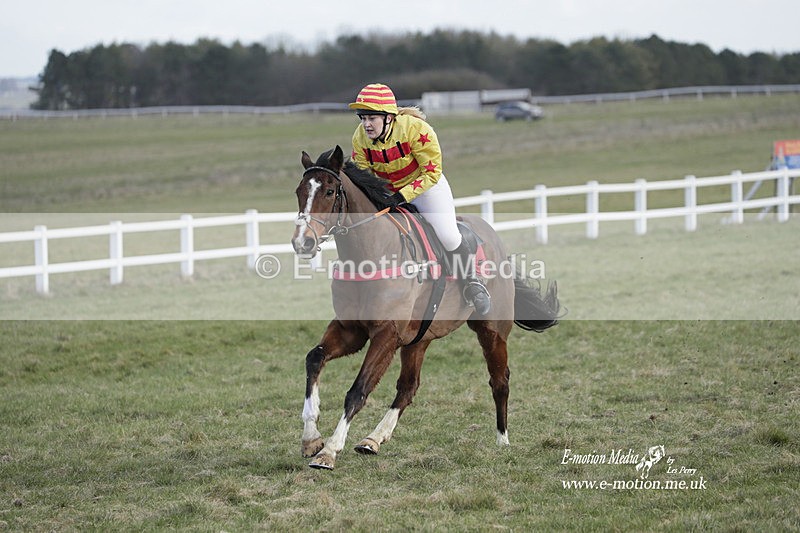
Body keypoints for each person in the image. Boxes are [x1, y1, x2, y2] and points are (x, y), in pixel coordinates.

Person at [348, 83, 491, 316]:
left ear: (389, 117)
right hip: (389, 193)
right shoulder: (360, 138)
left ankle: (473, 283)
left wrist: (401, 196)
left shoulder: (416, 129)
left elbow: (431, 172)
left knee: (448, 235)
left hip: (427, 188)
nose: (366, 124)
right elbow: (363, 177)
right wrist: (380, 197)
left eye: (372, 118)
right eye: (363, 118)